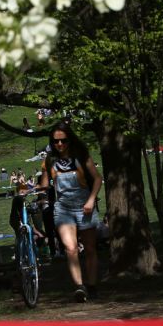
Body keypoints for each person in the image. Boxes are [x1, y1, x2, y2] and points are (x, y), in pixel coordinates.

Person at [39, 122, 102, 302]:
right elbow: (44, 186)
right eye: (56, 141)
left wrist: (91, 199)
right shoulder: (50, 160)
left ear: (70, 139)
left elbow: (97, 178)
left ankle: (92, 284)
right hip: (63, 208)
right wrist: (31, 188)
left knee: (89, 248)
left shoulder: (81, 155)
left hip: (84, 205)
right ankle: (79, 287)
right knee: (70, 248)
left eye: (63, 141)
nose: (59, 144)